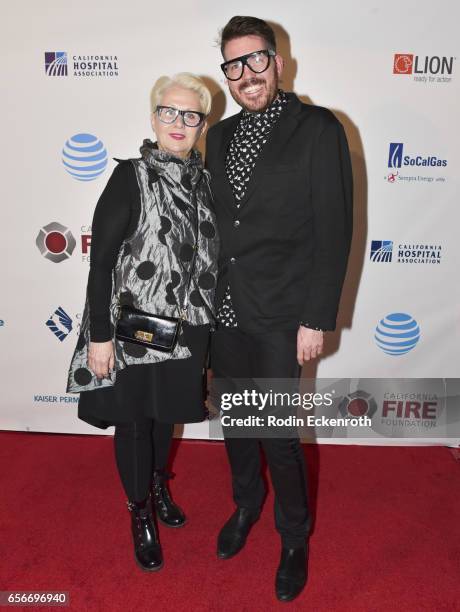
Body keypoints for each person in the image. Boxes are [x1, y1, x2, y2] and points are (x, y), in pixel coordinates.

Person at [206, 16, 353, 602]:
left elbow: (335, 229)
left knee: (277, 435)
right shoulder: (216, 136)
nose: (247, 75)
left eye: (256, 60)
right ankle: (246, 505)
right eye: (234, 65)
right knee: (236, 424)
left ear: (279, 61)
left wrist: (317, 317)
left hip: (283, 313)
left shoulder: (318, 128)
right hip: (225, 310)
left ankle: (294, 537)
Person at [67, 73, 219, 572]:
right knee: (134, 423)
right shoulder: (129, 176)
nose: (178, 123)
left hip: (188, 328)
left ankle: (157, 487)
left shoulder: (206, 182)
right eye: (168, 112)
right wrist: (100, 337)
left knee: (165, 416)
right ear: (153, 117)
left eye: (189, 114)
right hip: (132, 330)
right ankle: (140, 515)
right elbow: (101, 261)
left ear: (203, 123)